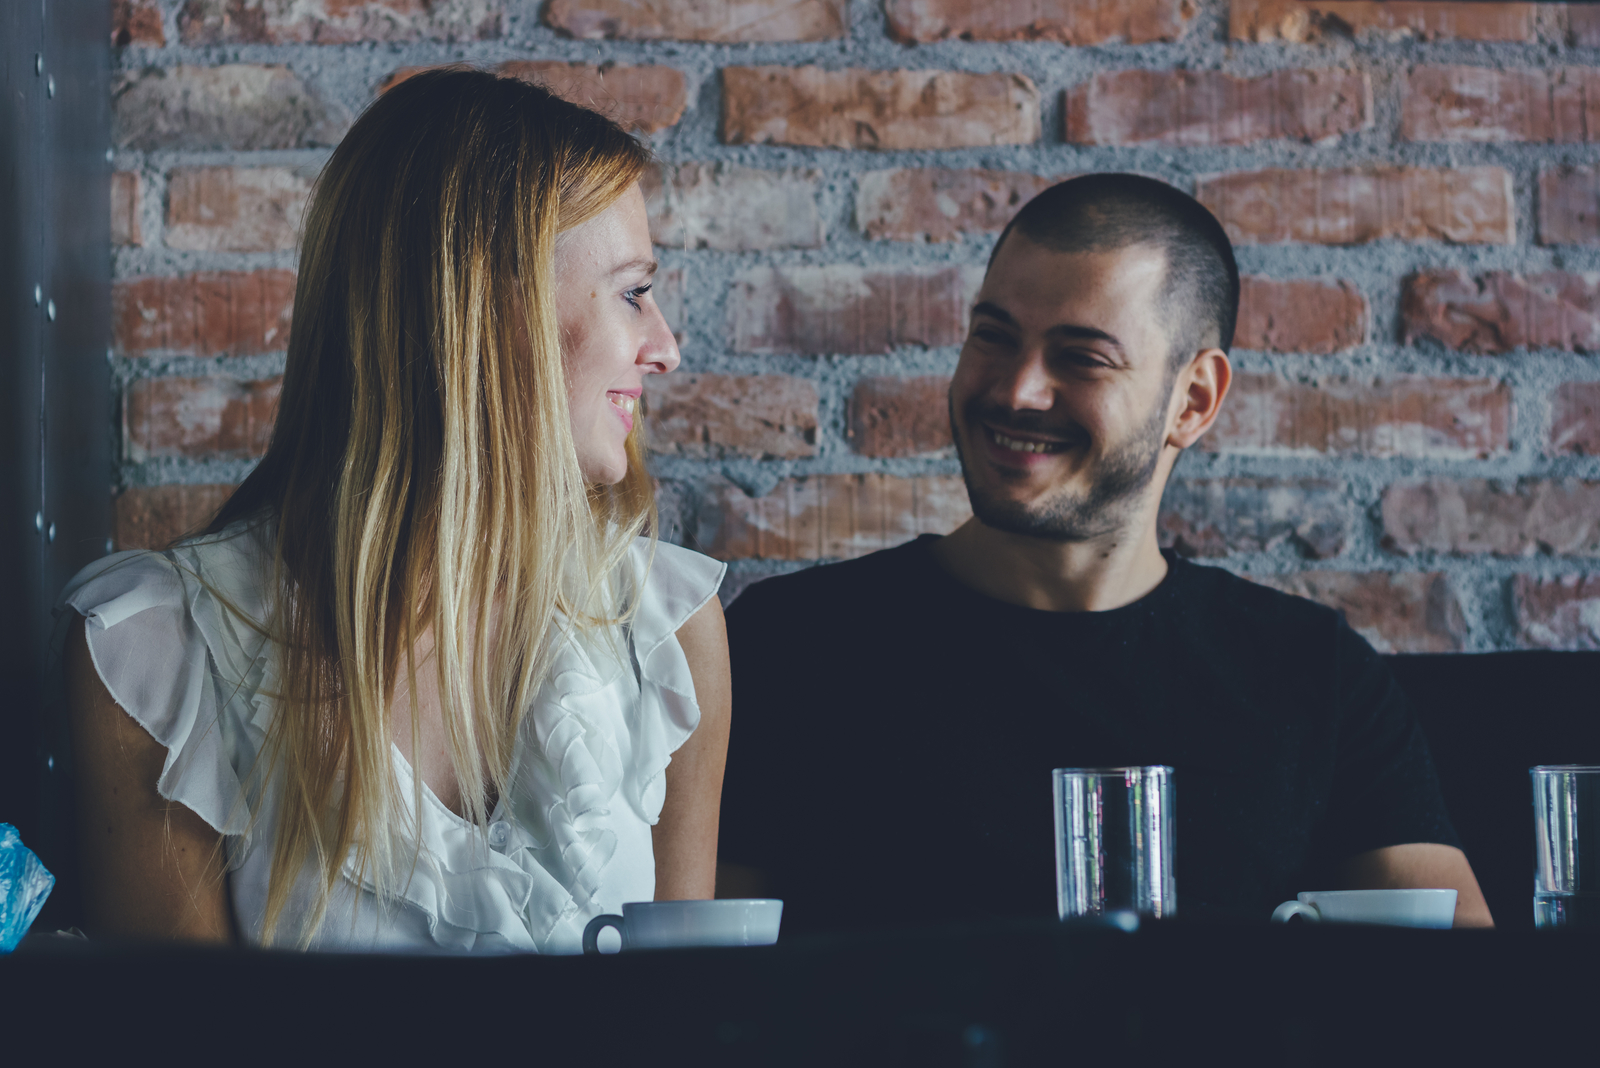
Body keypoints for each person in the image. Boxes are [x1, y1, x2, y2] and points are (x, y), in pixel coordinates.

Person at [58, 69, 731, 952]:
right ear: (498, 313)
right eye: (634, 292)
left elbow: (688, 1030)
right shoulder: (154, 663)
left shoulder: (668, 637)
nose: (666, 348)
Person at [718, 174, 1493, 932]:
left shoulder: (1313, 673)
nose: (1017, 390)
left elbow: (1466, 1000)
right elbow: (689, 993)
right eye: (994, 335)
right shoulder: (793, 644)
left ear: (1192, 401)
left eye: (1081, 357)